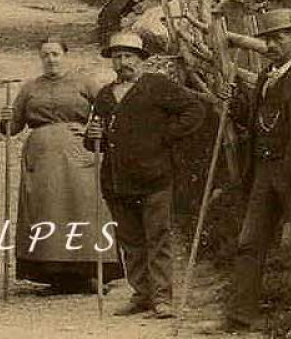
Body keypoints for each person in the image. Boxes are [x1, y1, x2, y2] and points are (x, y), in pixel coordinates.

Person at [218, 8, 291, 338]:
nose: (271, 45)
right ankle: (241, 316)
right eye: (267, 39)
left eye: (279, 38)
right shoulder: (267, 74)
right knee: (249, 243)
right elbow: (257, 121)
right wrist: (236, 102)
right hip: (264, 174)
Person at [85, 31, 206, 319]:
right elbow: (93, 141)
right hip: (117, 181)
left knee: (158, 238)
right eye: (117, 56)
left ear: (141, 60)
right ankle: (141, 294)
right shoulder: (104, 95)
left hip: (155, 177)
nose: (122, 62)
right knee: (130, 241)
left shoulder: (157, 86)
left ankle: (162, 299)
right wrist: (93, 136)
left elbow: (194, 109)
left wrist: (165, 135)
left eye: (128, 56)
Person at [1, 39, 124, 293]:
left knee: (83, 209)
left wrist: (98, 128)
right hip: (42, 159)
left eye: (55, 54)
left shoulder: (84, 83)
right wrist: (6, 120)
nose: (51, 59)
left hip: (80, 154)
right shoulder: (30, 88)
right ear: (40, 58)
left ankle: (93, 273)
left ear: (65, 55)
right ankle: (54, 276)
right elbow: (12, 129)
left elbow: (108, 108)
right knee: (47, 213)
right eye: (45, 54)